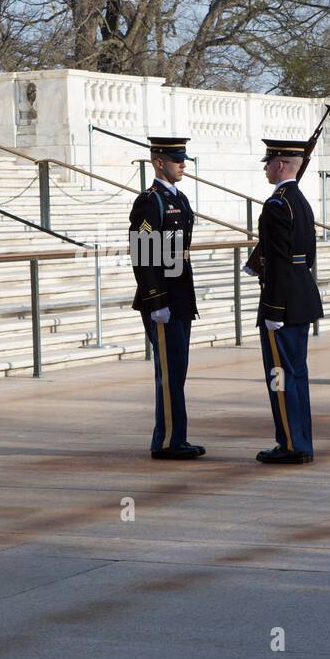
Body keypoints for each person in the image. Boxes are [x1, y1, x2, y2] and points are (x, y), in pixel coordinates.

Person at [243, 139, 324, 464]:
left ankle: (290, 444)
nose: (265, 168)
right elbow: (306, 256)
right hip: (302, 298)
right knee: (297, 374)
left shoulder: (276, 205)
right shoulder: (300, 201)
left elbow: (277, 260)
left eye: (268, 163)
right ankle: (301, 440)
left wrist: (273, 310)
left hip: (282, 305)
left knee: (280, 375)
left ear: (279, 165)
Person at [129, 137, 206, 459]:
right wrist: (156, 299)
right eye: (176, 160)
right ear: (159, 163)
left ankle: (176, 437)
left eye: (183, 159)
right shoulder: (150, 201)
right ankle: (167, 441)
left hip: (180, 296)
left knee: (178, 370)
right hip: (162, 300)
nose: (183, 164)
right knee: (170, 371)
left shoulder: (180, 198)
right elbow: (143, 253)